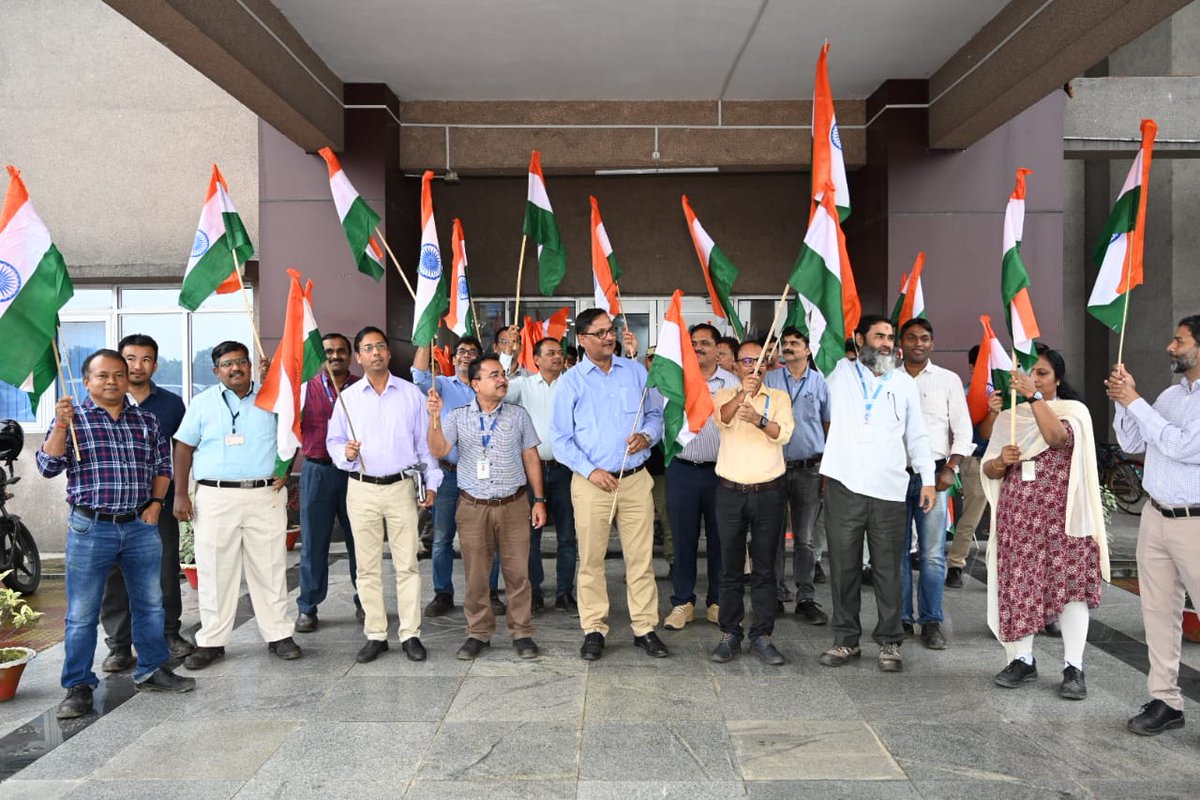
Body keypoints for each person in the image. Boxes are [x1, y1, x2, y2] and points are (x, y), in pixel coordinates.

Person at [38, 349, 196, 718]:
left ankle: (152, 669)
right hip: (91, 527)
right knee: (81, 612)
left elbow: (162, 464)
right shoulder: (73, 420)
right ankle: (77, 685)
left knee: (150, 603)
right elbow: (47, 466)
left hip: (139, 526)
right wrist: (61, 426)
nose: (112, 381)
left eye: (118, 375)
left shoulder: (145, 420)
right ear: (87, 381)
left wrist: (156, 503)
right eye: (103, 375)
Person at [982, 344, 1106, 699]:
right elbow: (988, 467)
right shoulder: (1010, 417)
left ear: (1058, 379)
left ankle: (1074, 667)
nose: (1033, 378)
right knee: (1020, 586)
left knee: (1070, 590)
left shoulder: (1073, 411)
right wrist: (1001, 462)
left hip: (1064, 518)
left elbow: (1056, 438)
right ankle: (1023, 659)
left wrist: (1034, 396)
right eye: (1029, 372)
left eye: (1042, 374)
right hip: (1019, 517)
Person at [174, 341, 302, 669]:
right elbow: (184, 448)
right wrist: (180, 494)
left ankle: (278, 635)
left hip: (265, 495)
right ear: (216, 371)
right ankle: (212, 640)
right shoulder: (202, 403)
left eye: (241, 362)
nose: (236, 368)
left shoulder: (271, 399)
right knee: (215, 568)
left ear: (250, 365)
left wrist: (285, 470)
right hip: (215, 497)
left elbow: (291, 436)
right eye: (227, 364)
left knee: (271, 565)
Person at [550, 308, 668, 661]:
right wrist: (590, 471)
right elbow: (559, 438)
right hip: (591, 483)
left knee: (641, 559)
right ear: (582, 339)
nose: (609, 336)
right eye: (600, 332)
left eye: (610, 330)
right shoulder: (571, 381)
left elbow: (655, 416)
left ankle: (645, 627)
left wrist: (647, 436)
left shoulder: (635, 372)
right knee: (591, 559)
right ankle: (594, 628)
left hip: (634, 480)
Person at [819, 315, 935, 673]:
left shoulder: (902, 383)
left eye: (889, 337)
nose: (886, 343)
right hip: (843, 486)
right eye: (879, 336)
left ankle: (889, 641)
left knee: (887, 569)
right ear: (859, 340)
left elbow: (916, 434)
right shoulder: (838, 375)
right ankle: (845, 640)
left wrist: (927, 478)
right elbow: (820, 348)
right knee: (844, 568)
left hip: (889, 489)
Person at [1108, 315, 1200, 733]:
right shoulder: (1169, 395)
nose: (1170, 347)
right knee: (1158, 614)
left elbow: (1182, 447)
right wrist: (1121, 400)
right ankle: (1166, 702)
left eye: (1178, 341)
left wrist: (1135, 401)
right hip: (1156, 515)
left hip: (1194, 522)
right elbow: (1133, 443)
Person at [328, 326, 441, 663]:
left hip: (402, 488)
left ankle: (410, 634)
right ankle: (376, 634)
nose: (375, 352)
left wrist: (431, 484)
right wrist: (345, 454)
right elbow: (333, 443)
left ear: (389, 353)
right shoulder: (347, 398)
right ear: (359, 357)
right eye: (367, 348)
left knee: (407, 564)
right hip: (361, 488)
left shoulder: (410, 395)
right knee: (367, 567)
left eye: (380, 346)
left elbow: (425, 448)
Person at [428, 355, 546, 659]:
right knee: (477, 574)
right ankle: (478, 632)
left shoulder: (518, 415)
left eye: (503, 374)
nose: (502, 379)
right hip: (473, 506)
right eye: (494, 375)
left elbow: (531, 457)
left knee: (518, 573)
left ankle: (521, 632)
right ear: (476, 383)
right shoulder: (456, 416)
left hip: (514, 504)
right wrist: (434, 418)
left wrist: (539, 500)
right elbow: (439, 450)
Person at [98, 334, 191, 672]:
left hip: (158, 502)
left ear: (156, 363)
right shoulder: (101, 400)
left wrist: (179, 493)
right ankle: (120, 645)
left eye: (146, 359)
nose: (138, 365)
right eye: (131, 358)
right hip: (111, 506)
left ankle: (169, 633)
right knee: (115, 576)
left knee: (165, 568)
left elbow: (182, 451)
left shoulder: (170, 404)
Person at [709, 340, 795, 664]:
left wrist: (759, 418)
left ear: (768, 365)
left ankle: (762, 635)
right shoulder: (724, 394)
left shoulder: (779, 398)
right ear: (735, 366)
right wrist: (741, 395)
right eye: (746, 360)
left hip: (769, 492)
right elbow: (722, 418)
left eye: (759, 361)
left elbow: (782, 434)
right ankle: (730, 633)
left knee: (764, 569)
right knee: (730, 567)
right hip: (730, 492)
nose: (752, 366)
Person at [412, 336, 503, 618]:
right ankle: (443, 593)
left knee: (488, 537)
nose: (465, 355)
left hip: (482, 474)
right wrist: (425, 340)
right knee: (442, 539)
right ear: (453, 359)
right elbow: (418, 374)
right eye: (461, 352)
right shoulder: (440, 385)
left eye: (472, 352)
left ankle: (489, 592)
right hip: (450, 475)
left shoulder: (485, 388)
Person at [897, 318, 974, 648]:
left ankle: (931, 621)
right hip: (894, 476)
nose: (918, 343)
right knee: (895, 554)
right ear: (902, 342)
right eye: (912, 337)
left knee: (931, 555)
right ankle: (900, 619)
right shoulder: (887, 378)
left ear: (932, 343)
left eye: (924, 338)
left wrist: (952, 468)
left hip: (935, 476)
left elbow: (964, 431)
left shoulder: (948, 380)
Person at [663, 324, 740, 631]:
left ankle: (717, 601)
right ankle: (682, 602)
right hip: (682, 470)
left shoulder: (733, 383)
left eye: (705, 343)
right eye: (693, 342)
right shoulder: (675, 382)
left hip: (721, 473)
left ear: (717, 348)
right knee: (683, 540)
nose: (698, 347)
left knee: (722, 540)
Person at [506, 337, 578, 615]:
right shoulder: (523, 386)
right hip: (529, 471)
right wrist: (506, 356)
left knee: (567, 536)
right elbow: (496, 390)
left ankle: (564, 593)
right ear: (536, 359)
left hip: (565, 470)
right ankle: (534, 592)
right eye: (550, 353)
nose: (557, 357)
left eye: (560, 353)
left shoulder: (573, 383)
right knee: (530, 536)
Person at [295, 333, 362, 633]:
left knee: (361, 541)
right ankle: (308, 606)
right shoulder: (303, 389)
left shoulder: (363, 388)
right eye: (329, 352)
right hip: (317, 471)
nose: (335, 356)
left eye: (341, 351)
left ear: (350, 355)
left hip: (355, 473)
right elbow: (282, 422)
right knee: (313, 544)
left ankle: (365, 601)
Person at [764, 327, 830, 626]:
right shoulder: (770, 379)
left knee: (804, 538)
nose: (788, 348)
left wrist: (828, 466)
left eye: (795, 344)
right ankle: (776, 594)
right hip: (774, 467)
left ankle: (805, 597)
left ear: (807, 350)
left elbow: (828, 424)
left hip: (809, 469)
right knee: (774, 536)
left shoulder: (820, 383)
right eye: (785, 344)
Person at [946, 344, 999, 588]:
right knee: (971, 518)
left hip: (1003, 461)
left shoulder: (1005, 392)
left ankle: (1000, 569)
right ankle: (956, 565)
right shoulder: (967, 394)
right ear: (971, 367)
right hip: (975, 460)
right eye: (981, 366)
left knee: (1004, 520)